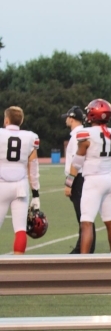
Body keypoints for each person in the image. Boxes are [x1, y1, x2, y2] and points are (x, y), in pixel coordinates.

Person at [64, 98, 111, 254]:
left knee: (86, 222)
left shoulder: (86, 134)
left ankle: (83, 262)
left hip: (93, 180)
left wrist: (69, 182)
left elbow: (77, 162)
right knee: (110, 222)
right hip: (109, 179)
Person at [0, 106, 40, 254]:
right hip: (20, 187)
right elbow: (33, 167)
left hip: (1, 185)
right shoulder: (30, 137)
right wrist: (36, 193)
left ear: (6, 120)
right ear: (21, 121)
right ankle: (18, 263)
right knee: (20, 229)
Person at [62, 105, 95, 254]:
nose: (66, 120)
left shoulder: (78, 135)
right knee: (84, 215)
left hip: (78, 178)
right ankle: (84, 247)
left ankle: (83, 249)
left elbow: (77, 162)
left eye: (67, 117)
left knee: (83, 216)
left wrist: (69, 182)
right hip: (81, 177)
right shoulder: (80, 134)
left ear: (72, 118)